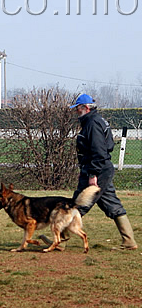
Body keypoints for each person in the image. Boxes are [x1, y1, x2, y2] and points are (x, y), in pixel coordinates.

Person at [43, 93, 137, 251]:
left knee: (77, 205)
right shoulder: (97, 120)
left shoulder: (92, 123)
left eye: (78, 109)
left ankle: (61, 241)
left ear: (86, 108)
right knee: (112, 204)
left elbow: (99, 152)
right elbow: (108, 146)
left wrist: (92, 174)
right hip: (100, 169)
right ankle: (129, 242)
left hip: (97, 170)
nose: (76, 112)